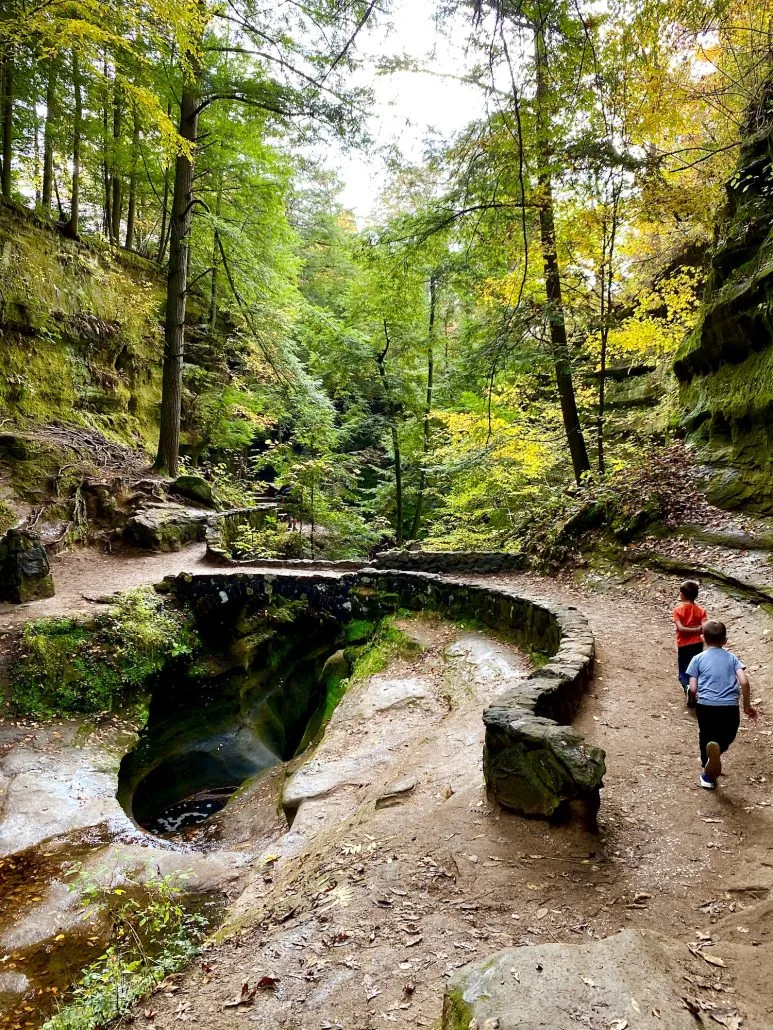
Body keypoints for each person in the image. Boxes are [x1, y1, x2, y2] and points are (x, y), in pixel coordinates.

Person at [686, 620, 757, 789]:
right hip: (729, 707)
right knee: (728, 735)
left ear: (703, 638)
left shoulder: (697, 659)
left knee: (706, 736)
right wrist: (747, 705)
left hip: (706, 706)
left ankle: (708, 773)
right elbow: (744, 682)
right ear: (725, 641)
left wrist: (691, 699)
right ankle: (720, 748)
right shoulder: (732, 658)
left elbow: (693, 688)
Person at [673, 581, 707, 705]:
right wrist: (697, 630)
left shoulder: (677, 610)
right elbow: (704, 628)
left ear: (682, 595)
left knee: (683, 670)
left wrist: (690, 630)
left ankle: (688, 688)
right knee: (695, 669)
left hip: (683, 644)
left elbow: (680, 628)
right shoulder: (701, 611)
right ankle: (695, 690)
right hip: (697, 644)